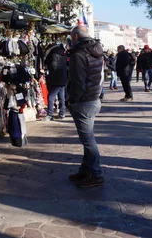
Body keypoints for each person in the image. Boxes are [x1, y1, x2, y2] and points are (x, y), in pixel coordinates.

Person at [67, 25, 104, 188]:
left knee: (88, 140)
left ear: (75, 37)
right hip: (94, 98)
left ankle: (96, 174)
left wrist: (72, 100)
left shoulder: (79, 54)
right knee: (87, 139)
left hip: (84, 101)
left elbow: (78, 81)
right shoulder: (96, 50)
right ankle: (86, 169)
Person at [45, 43, 67, 120]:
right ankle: (62, 113)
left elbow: (53, 66)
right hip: (63, 78)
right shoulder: (62, 55)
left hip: (56, 79)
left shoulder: (53, 55)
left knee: (51, 97)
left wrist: (50, 74)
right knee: (61, 97)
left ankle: (50, 114)